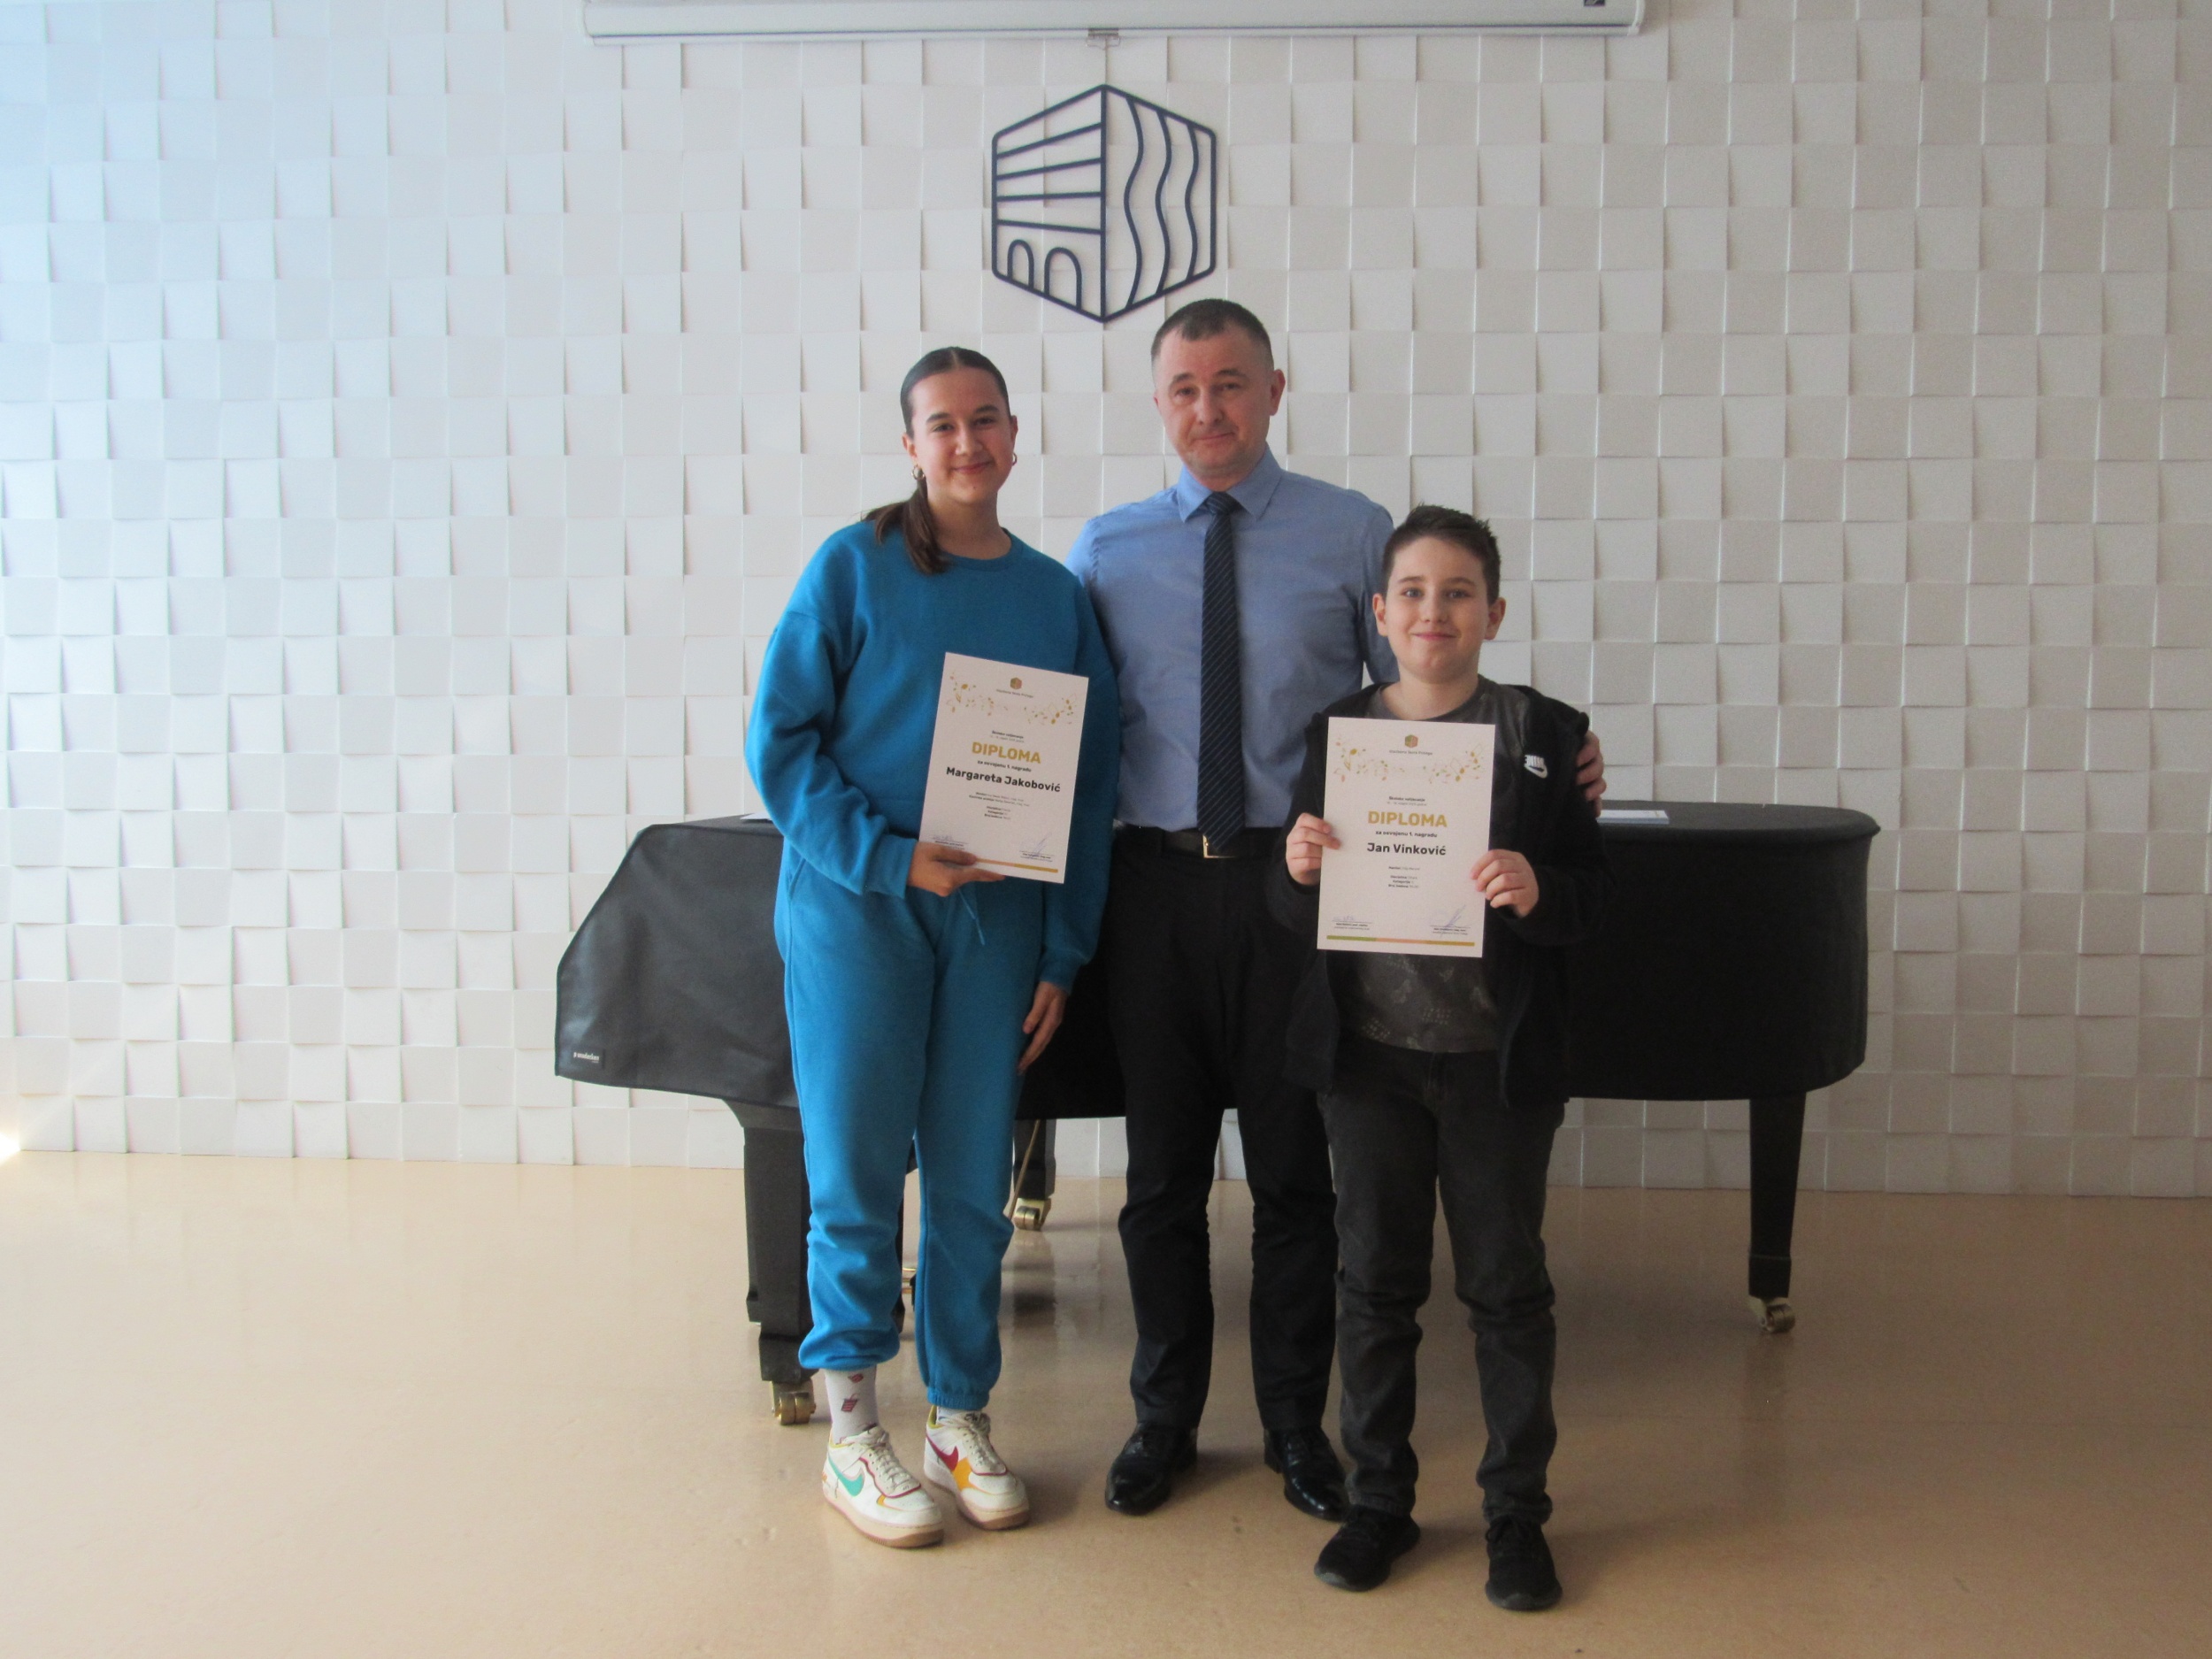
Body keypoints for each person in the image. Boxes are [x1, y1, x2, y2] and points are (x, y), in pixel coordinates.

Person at [1067, 300, 1608, 1523]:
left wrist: (1550, 752)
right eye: (1185, 388)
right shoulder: (1105, 549)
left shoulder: (1354, 531)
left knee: (1294, 1178)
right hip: (1154, 887)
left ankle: (1295, 1427)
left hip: (1305, 885)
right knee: (1160, 1178)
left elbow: (1425, 684)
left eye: (1232, 383)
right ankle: (1163, 1418)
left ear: (1274, 390)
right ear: (1158, 403)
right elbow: (1066, 716)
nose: (1209, 408)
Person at [746, 347, 1120, 1548]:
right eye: (942, 424)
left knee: (969, 1180)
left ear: (1015, 432)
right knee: (857, 1172)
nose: (968, 442)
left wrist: (1062, 949)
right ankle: (855, 1432)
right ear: (910, 444)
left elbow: (1089, 780)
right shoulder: (851, 567)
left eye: (986, 419)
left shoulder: (1054, 597)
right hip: (859, 909)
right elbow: (779, 742)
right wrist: (888, 855)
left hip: (995, 922)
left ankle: (960, 1414)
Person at [1271, 507, 1610, 1609]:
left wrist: (1541, 888)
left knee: (1507, 1292)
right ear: (1379, 612)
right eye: (1412, 592)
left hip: (1492, 1066)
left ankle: (1516, 1515)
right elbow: (1291, 903)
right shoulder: (1337, 732)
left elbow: (1593, 897)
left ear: (1493, 613)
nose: (1434, 612)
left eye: (1458, 592)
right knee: (1374, 1286)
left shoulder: (1546, 733)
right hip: (1368, 1062)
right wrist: (1296, 868)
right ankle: (1380, 1502)